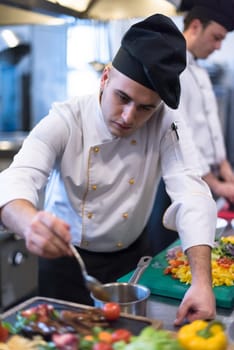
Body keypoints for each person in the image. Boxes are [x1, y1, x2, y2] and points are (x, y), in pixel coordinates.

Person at [0, 14, 217, 325]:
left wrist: (201, 282)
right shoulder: (67, 120)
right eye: (123, 98)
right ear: (105, 78)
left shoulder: (165, 123)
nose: (129, 117)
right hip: (65, 264)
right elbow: (18, 176)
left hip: (130, 263)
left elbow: (192, 192)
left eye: (145, 107)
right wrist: (28, 221)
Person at [147, 0, 234, 255]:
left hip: (205, 178)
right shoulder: (171, 68)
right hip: (174, 183)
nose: (218, 47)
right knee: (170, 253)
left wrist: (226, 169)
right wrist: (218, 186)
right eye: (216, 38)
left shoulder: (201, 71)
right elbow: (180, 134)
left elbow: (211, 129)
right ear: (195, 26)